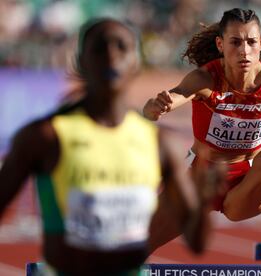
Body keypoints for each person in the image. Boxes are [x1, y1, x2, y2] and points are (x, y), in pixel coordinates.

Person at [0, 18, 219, 275]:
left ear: (136, 63)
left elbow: (196, 242)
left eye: (121, 47)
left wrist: (204, 201)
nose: (111, 55)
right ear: (82, 61)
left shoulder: (159, 143)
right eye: (100, 48)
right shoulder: (45, 137)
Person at [144, 8, 261, 252]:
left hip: (246, 183)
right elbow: (176, 96)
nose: (244, 51)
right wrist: (155, 107)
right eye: (235, 42)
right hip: (201, 179)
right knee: (142, 243)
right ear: (220, 44)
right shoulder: (205, 79)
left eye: (251, 42)